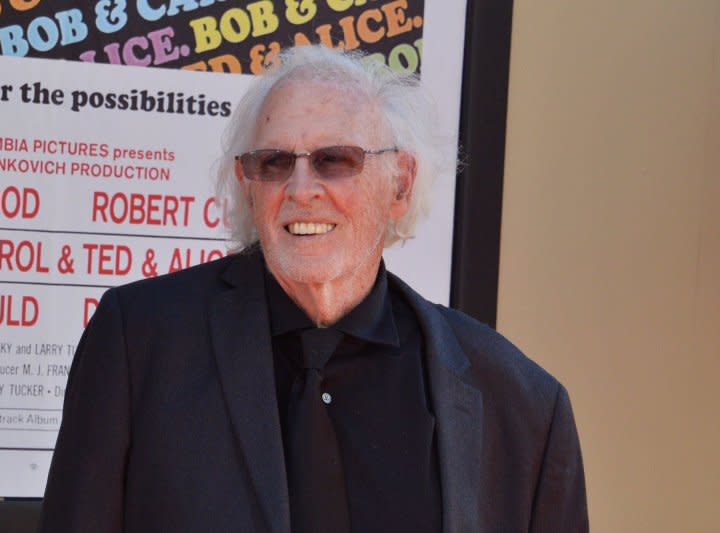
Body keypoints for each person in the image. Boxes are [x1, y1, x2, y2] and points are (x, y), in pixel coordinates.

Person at [40, 45, 588, 532]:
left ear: (399, 184)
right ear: (248, 188)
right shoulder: (138, 342)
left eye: (335, 160)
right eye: (274, 163)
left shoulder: (523, 406)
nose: (302, 190)